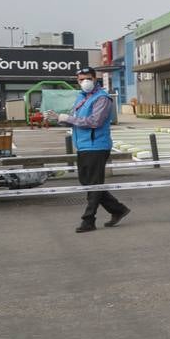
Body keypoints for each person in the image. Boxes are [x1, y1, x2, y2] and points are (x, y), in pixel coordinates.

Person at [58, 69, 131, 233]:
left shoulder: (102, 98)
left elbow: (95, 121)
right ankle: (118, 209)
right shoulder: (81, 97)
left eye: (88, 79)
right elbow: (77, 119)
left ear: (95, 79)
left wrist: (69, 119)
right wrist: (62, 119)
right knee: (88, 182)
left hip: (96, 145)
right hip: (83, 145)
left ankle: (88, 220)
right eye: (81, 79)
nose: (85, 82)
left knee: (94, 185)